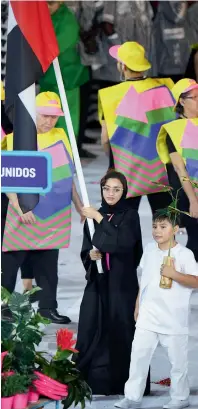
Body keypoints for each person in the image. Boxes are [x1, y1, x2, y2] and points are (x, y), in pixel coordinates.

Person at [1, 91, 83, 324]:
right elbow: (5, 178)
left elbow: (68, 175)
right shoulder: (15, 138)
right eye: (44, 116)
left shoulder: (61, 135)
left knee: (48, 266)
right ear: (32, 113)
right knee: (9, 263)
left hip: (54, 213)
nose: (49, 121)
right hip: (22, 214)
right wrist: (20, 208)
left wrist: (79, 205)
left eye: (54, 117)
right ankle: (2, 306)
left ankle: (47, 308)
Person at [74, 170, 150, 396]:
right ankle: (92, 381)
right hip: (98, 283)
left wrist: (99, 219)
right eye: (107, 188)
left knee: (122, 330)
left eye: (117, 189)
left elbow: (123, 245)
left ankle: (125, 383)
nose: (111, 193)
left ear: (124, 191)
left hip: (122, 284)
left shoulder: (130, 215)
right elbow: (86, 248)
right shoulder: (93, 215)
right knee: (91, 327)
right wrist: (91, 256)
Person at [115, 212, 198, 409]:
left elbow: (195, 281)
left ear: (175, 230)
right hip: (148, 316)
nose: (157, 231)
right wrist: (138, 306)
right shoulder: (150, 250)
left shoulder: (185, 254)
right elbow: (145, 281)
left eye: (163, 227)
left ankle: (180, 398)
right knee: (138, 357)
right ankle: (132, 397)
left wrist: (174, 274)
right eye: (155, 226)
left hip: (173, 318)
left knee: (178, 363)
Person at [99, 41, 176, 214]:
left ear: (122, 66)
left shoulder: (110, 95)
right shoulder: (166, 87)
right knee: (164, 221)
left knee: (124, 222)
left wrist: (111, 159)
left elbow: (105, 138)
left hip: (124, 169)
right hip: (160, 169)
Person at [39, 1, 95, 159]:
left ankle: (64, 160)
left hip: (67, 80)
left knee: (64, 123)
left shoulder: (67, 20)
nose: (48, 7)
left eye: (52, 4)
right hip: (49, 79)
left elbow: (52, 48)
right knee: (45, 122)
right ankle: (48, 157)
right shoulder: (47, 17)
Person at [157, 78, 198, 261]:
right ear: (181, 101)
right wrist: (193, 200)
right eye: (195, 97)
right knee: (196, 239)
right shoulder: (174, 130)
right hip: (188, 193)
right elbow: (180, 169)